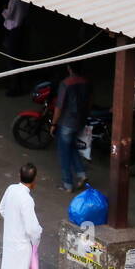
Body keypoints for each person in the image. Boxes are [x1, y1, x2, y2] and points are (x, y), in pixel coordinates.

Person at [0, 163, 42, 269]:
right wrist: (36, 240)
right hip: (21, 247)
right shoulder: (27, 200)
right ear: (34, 180)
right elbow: (32, 229)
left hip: (9, 242)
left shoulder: (11, 189)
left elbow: (2, 209)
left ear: (19, 175)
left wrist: (13, 220)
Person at [52, 62, 91, 191]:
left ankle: (67, 184)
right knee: (72, 147)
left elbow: (59, 106)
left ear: (69, 68)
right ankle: (81, 174)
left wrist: (53, 123)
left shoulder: (66, 83)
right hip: (79, 122)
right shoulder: (85, 82)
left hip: (66, 123)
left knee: (64, 154)